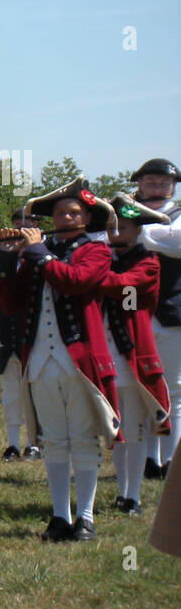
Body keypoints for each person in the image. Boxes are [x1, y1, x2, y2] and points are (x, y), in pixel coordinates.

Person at [0, 178, 120, 542]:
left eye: (73, 212)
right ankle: (58, 516)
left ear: (85, 217)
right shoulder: (38, 251)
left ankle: (85, 517)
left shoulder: (96, 251)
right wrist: (6, 258)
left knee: (82, 439)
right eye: (60, 212)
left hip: (79, 362)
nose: (65, 216)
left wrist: (36, 254)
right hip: (41, 362)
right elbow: (12, 304)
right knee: (54, 441)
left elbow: (75, 281)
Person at [100, 193, 171, 515]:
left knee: (134, 427)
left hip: (131, 355)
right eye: (112, 228)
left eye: (123, 229)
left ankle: (133, 496)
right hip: (103, 354)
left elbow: (127, 289)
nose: (116, 235)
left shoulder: (149, 262)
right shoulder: (102, 257)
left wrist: (91, 276)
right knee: (115, 428)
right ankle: (122, 491)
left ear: (138, 230)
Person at [132, 158, 181, 480]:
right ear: (140, 184)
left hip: (172, 310)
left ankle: (171, 461)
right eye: (150, 183)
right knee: (142, 389)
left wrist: (138, 230)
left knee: (174, 391)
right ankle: (150, 458)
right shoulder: (125, 212)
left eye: (164, 183)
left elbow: (176, 243)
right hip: (134, 309)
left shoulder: (177, 213)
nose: (157, 188)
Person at [0, 209, 43, 462]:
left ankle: (35, 442)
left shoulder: (44, 256)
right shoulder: (5, 255)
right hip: (7, 331)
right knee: (10, 390)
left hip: (35, 333)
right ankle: (12, 443)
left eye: (29, 224)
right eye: (17, 225)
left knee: (35, 391)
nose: (21, 230)